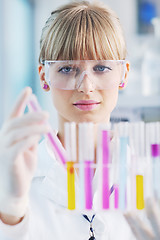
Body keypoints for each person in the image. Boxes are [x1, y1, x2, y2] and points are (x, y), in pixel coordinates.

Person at [0, 1, 157, 240]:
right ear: (45, 76)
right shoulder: (17, 177)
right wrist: (10, 213)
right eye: (67, 69)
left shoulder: (150, 169)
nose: (86, 86)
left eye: (101, 68)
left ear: (123, 74)